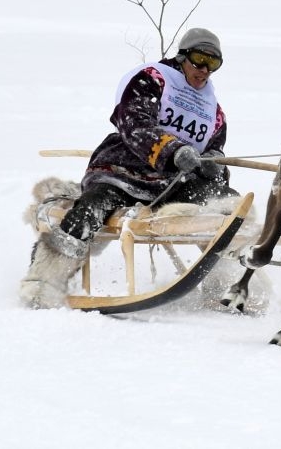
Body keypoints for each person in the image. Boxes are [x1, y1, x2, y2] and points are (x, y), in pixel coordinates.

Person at [20, 27, 235, 309]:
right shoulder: (152, 79)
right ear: (183, 56)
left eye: (213, 63)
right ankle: (43, 282)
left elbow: (215, 148)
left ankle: (232, 287)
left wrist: (214, 166)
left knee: (225, 207)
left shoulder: (213, 111)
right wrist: (172, 150)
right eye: (198, 59)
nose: (204, 69)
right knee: (93, 206)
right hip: (124, 169)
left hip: (172, 185)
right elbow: (134, 123)